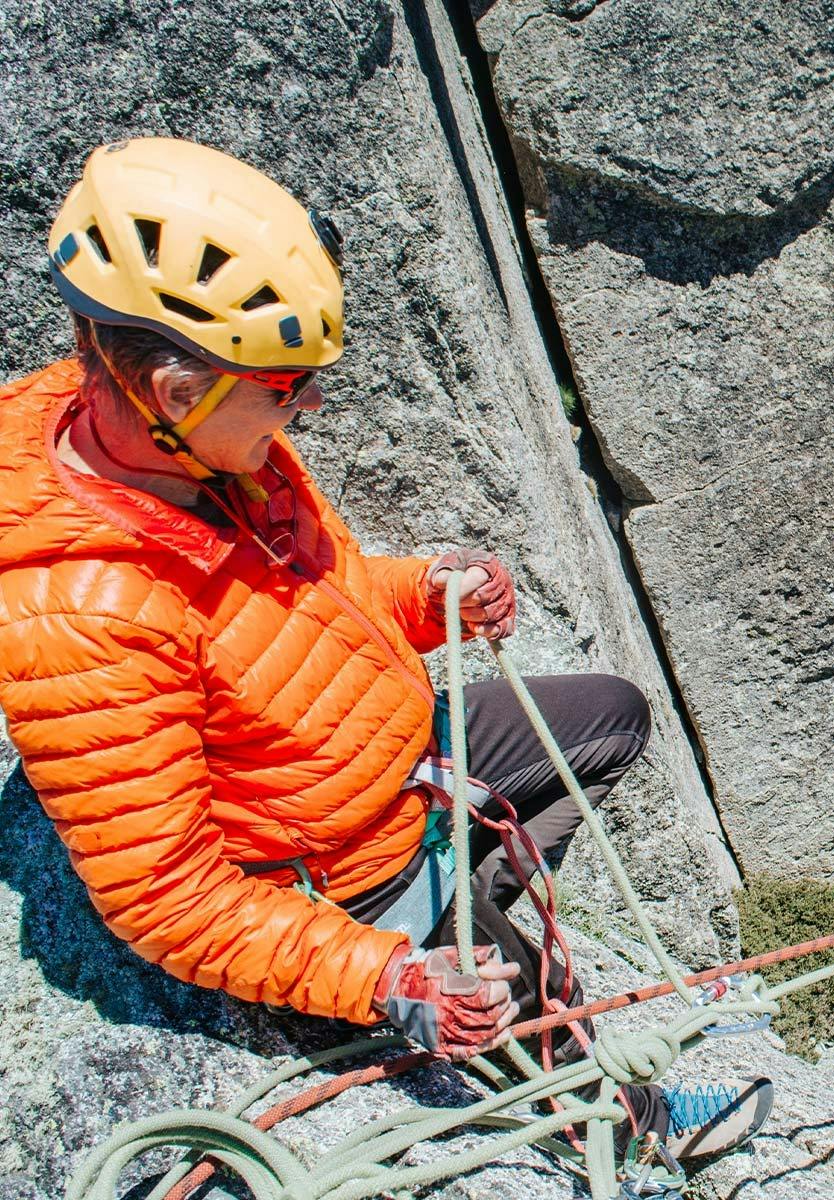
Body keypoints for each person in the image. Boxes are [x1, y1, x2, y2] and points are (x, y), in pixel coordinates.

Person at [0, 137, 769, 1161]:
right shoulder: (82, 618)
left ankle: (472, 884)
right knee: (519, 992)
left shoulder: (186, 440)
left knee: (611, 719)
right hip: (333, 860)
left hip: (382, 754)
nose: (308, 404)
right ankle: (621, 1128)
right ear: (176, 393)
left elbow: (313, 594)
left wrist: (423, 595)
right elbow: (168, 895)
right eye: (285, 386)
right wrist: (383, 975)